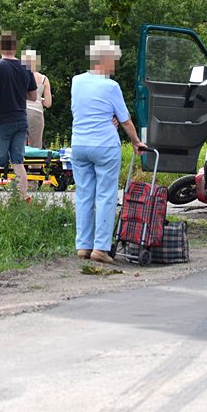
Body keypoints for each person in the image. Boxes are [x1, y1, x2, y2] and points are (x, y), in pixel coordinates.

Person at [71, 36, 147, 264]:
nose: (114, 65)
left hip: (80, 144)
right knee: (105, 195)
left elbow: (84, 109)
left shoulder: (76, 81)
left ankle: (83, 246)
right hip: (104, 145)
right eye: (113, 60)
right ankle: (101, 248)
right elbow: (125, 120)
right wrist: (135, 142)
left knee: (84, 194)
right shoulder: (110, 86)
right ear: (103, 60)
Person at [0, 31, 37, 202]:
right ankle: (22, 197)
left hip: (1, 120)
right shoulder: (26, 68)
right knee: (18, 161)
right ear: (15, 47)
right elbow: (33, 96)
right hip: (21, 119)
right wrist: (17, 92)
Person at [21, 48, 52, 148]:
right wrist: (39, 99)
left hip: (19, 111)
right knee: (35, 146)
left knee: (18, 145)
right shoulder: (44, 79)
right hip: (36, 113)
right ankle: (35, 164)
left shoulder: (18, 76)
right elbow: (48, 103)